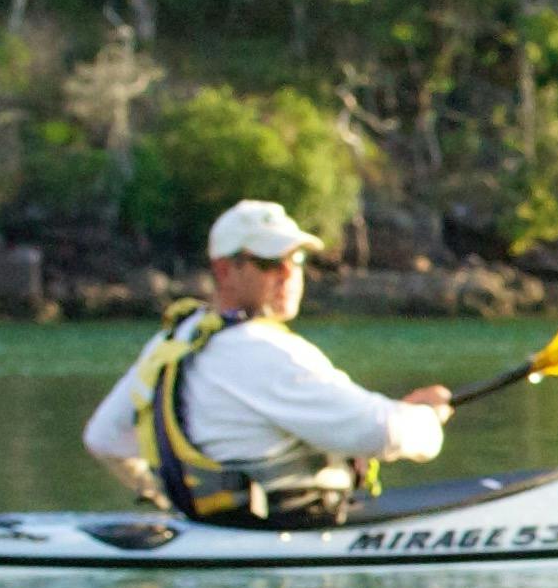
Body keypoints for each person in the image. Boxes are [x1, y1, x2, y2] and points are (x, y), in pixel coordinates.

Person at [82, 200, 454, 524]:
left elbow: (104, 439)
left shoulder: (178, 337)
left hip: (214, 529)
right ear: (225, 270)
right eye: (269, 262)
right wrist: (427, 418)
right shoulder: (261, 349)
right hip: (289, 533)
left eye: (297, 259)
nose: (288, 274)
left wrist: (169, 501)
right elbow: (382, 432)